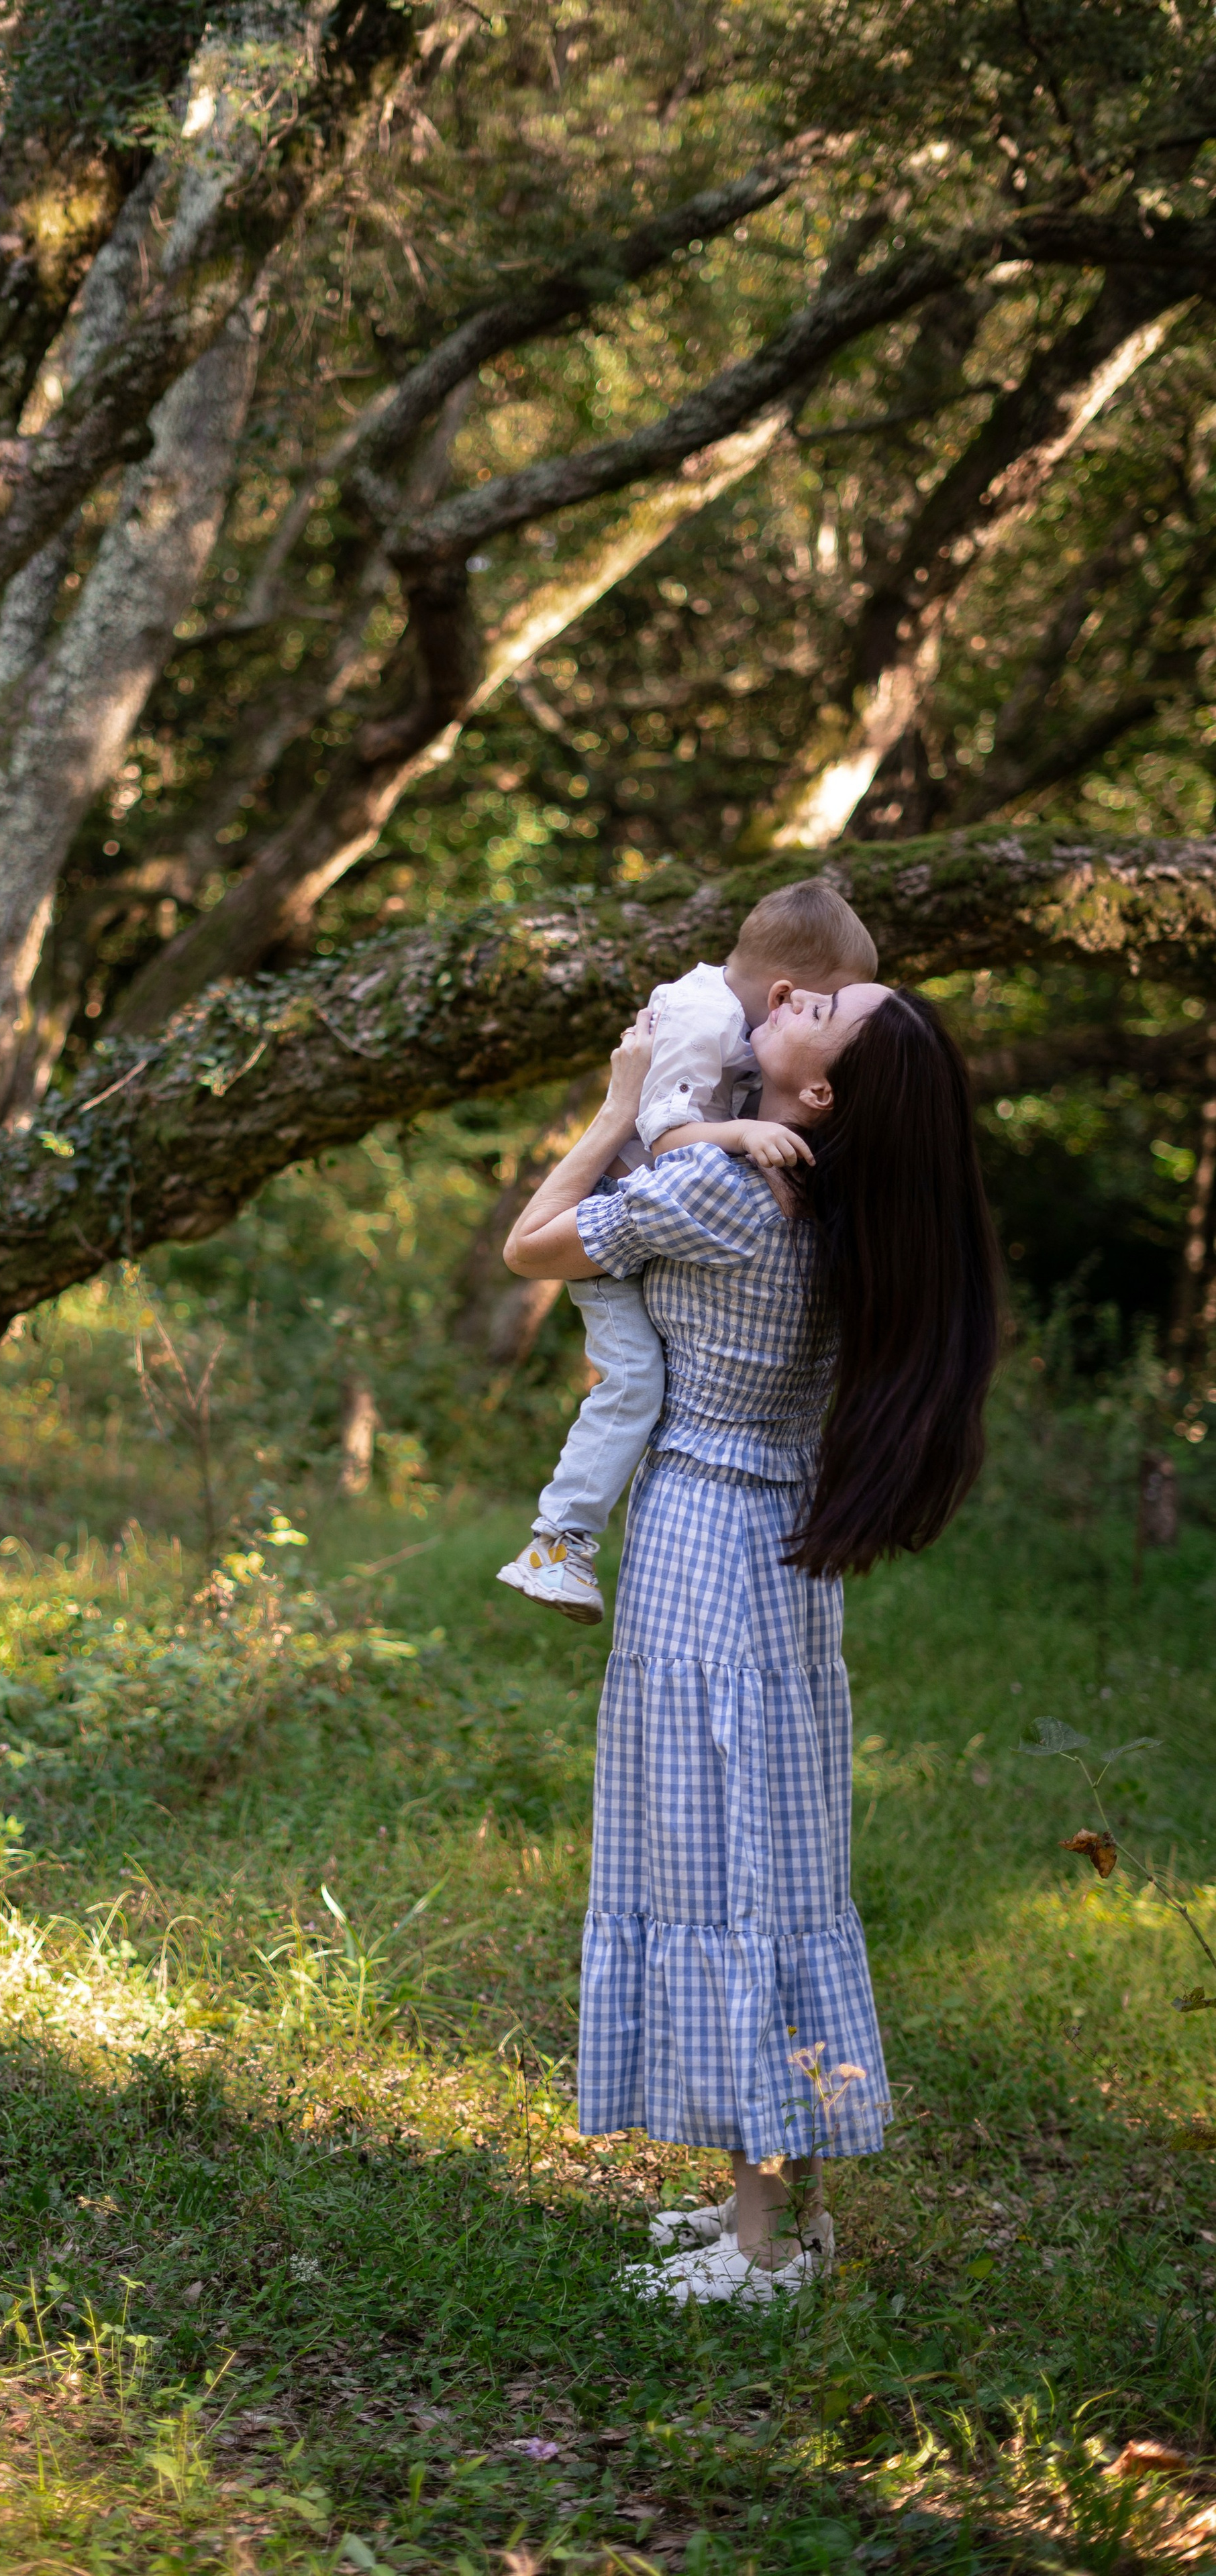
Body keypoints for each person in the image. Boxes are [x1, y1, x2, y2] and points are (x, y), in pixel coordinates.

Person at [503, 982, 999, 2302]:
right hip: (775, 1557)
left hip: (703, 1550)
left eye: (816, 1004)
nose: (781, 997)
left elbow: (533, 1245)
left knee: (726, 1876)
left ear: (816, 1092)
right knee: (769, 1872)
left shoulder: (723, 1198)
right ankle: (781, 2214)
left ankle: (759, 2249)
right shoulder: (825, 1202)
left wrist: (619, 1101)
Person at [495, 881, 878, 1627]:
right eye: (824, 1007)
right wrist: (738, 1135)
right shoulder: (705, 1022)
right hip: (613, 1222)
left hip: (643, 1227)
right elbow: (667, 1137)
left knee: (642, 1380)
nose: (820, 1022)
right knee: (634, 1380)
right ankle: (557, 1543)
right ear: (783, 994)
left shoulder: (729, 1014)